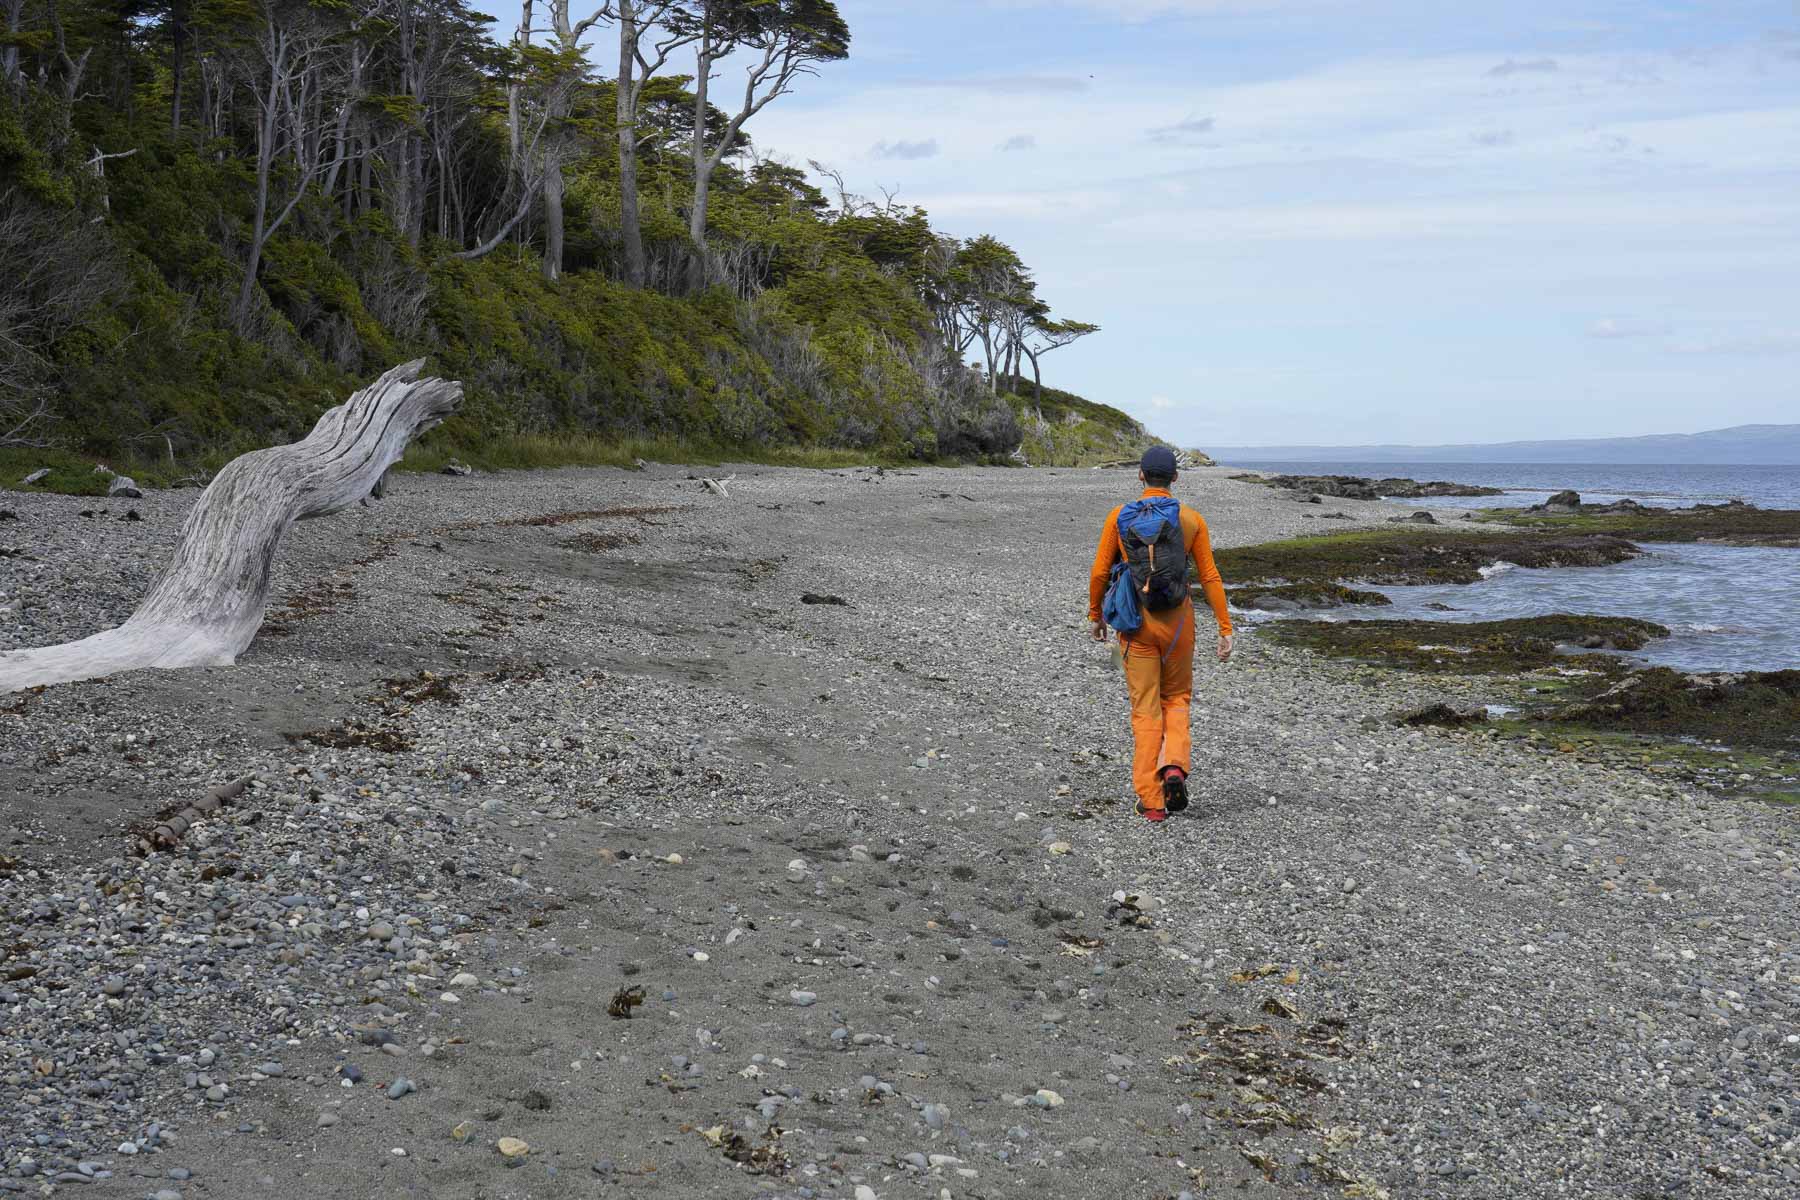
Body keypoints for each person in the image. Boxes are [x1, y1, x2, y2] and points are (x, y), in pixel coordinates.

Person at [1086, 446, 1232, 823]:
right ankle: (1174, 767)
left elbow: (1101, 573)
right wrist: (1225, 627)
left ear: (1140, 476)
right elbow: (1210, 576)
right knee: (1177, 699)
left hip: (1135, 625)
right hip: (1179, 624)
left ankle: (1151, 802)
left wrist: (1095, 614)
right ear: (1175, 478)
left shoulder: (1119, 517)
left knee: (1145, 709)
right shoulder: (1191, 519)